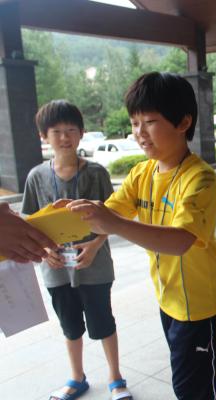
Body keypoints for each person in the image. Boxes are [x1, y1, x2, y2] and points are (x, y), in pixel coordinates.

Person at [65, 72, 216, 400]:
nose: (139, 132)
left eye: (150, 122)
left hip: (202, 308)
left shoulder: (201, 179)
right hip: (169, 301)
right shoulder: (142, 172)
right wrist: (63, 223)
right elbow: (110, 213)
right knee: (185, 384)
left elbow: (180, 240)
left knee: (199, 391)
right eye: (134, 122)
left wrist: (111, 225)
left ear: (183, 122)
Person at [21, 100, 131, 400]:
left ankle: (115, 377)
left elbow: (114, 216)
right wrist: (45, 251)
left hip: (94, 265)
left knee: (103, 322)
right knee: (69, 326)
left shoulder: (96, 173)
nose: (64, 137)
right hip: (56, 268)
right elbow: (29, 222)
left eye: (71, 130)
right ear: (43, 136)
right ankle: (77, 377)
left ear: (81, 133)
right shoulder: (36, 177)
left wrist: (95, 246)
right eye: (56, 131)